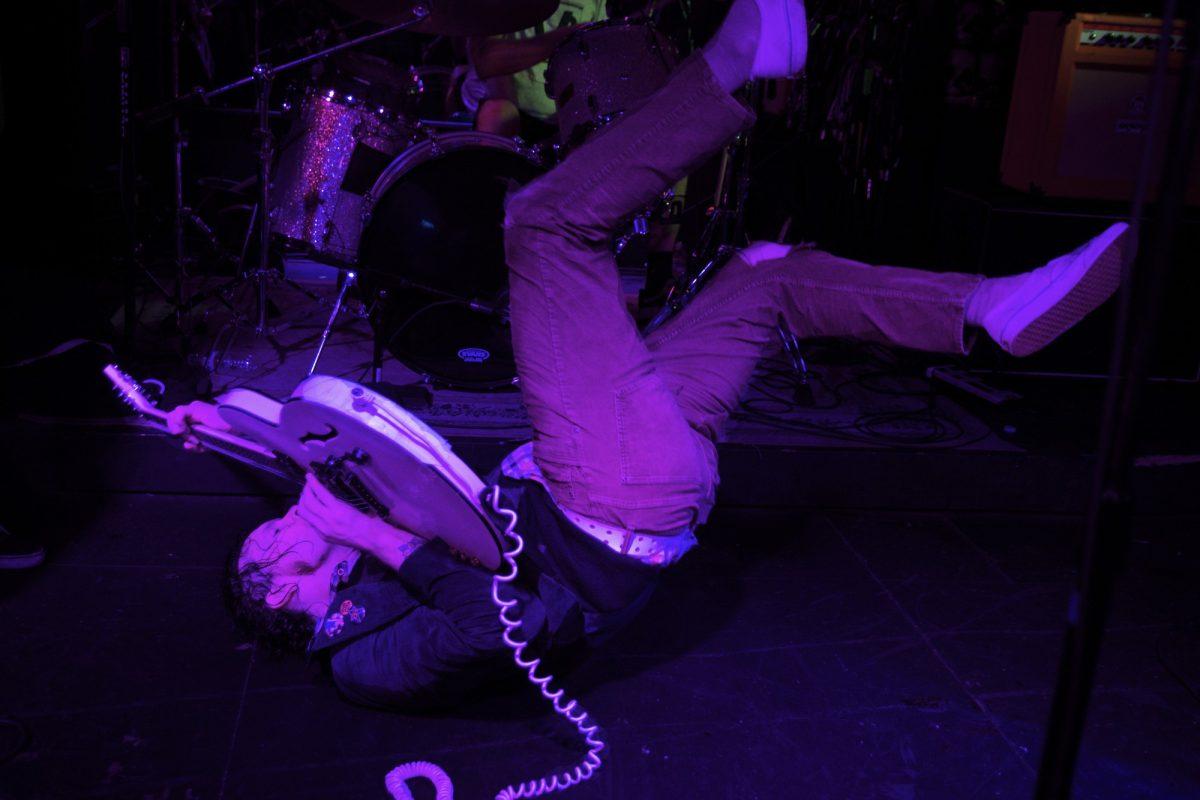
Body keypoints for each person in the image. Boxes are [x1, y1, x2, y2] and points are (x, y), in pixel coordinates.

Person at [168, 0, 1128, 710]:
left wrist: (213, 425)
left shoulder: (348, 562)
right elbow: (515, 627)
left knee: (763, 274)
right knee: (543, 225)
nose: (292, 526)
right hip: (607, 499)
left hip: (633, 479)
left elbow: (300, 470)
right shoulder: (364, 661)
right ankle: (729, 66)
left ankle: (990, 311)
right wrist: (374, 537)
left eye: (275, 533)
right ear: (305, 603)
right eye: (284, 551)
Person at [463, 0, 607, 139]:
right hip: (510, 106)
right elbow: (488, 61)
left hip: (570, 116)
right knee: (496, 114)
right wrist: (566, 37)